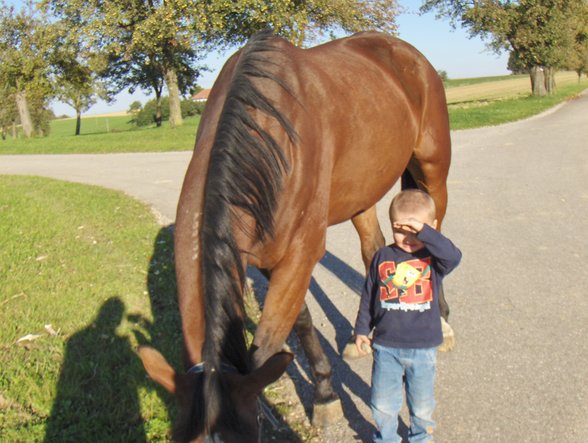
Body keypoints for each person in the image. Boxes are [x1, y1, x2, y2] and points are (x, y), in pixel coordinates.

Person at [354, 189, 462, 443]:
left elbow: (454, 256)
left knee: (422, 406)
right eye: (400, 229)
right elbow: (369, 295)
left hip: (422, 349)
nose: (408, 238)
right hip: (386, 346)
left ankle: (421, 438)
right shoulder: (383, 256)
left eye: (416, 231)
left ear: (432, 228)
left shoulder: (434, 259)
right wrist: (361, 330)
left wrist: (425, 233)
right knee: (382, 403)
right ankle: (386, 438)